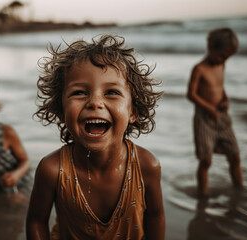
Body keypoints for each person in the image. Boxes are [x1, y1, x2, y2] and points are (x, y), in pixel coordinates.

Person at [26, 35, 165, 239]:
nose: (95, 102)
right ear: (61, 110)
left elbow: (155, 216)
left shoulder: (146, 166)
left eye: (111, 92)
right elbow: (37, 221)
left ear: (133, 111)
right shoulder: (52, 170)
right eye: (79, 93)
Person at [187, 28, 243, 197]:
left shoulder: (221, 65)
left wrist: (225, 99)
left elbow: (220, 86)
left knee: (235, 155)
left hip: (222, 116)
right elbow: (191, 94)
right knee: (206, 160)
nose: (223, 60)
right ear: (210, 46)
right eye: (222, 55)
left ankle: (239, 189)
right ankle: (203, 196)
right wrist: (208, 107)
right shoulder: (199, 69)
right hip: (204, 119)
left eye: (227, 58)